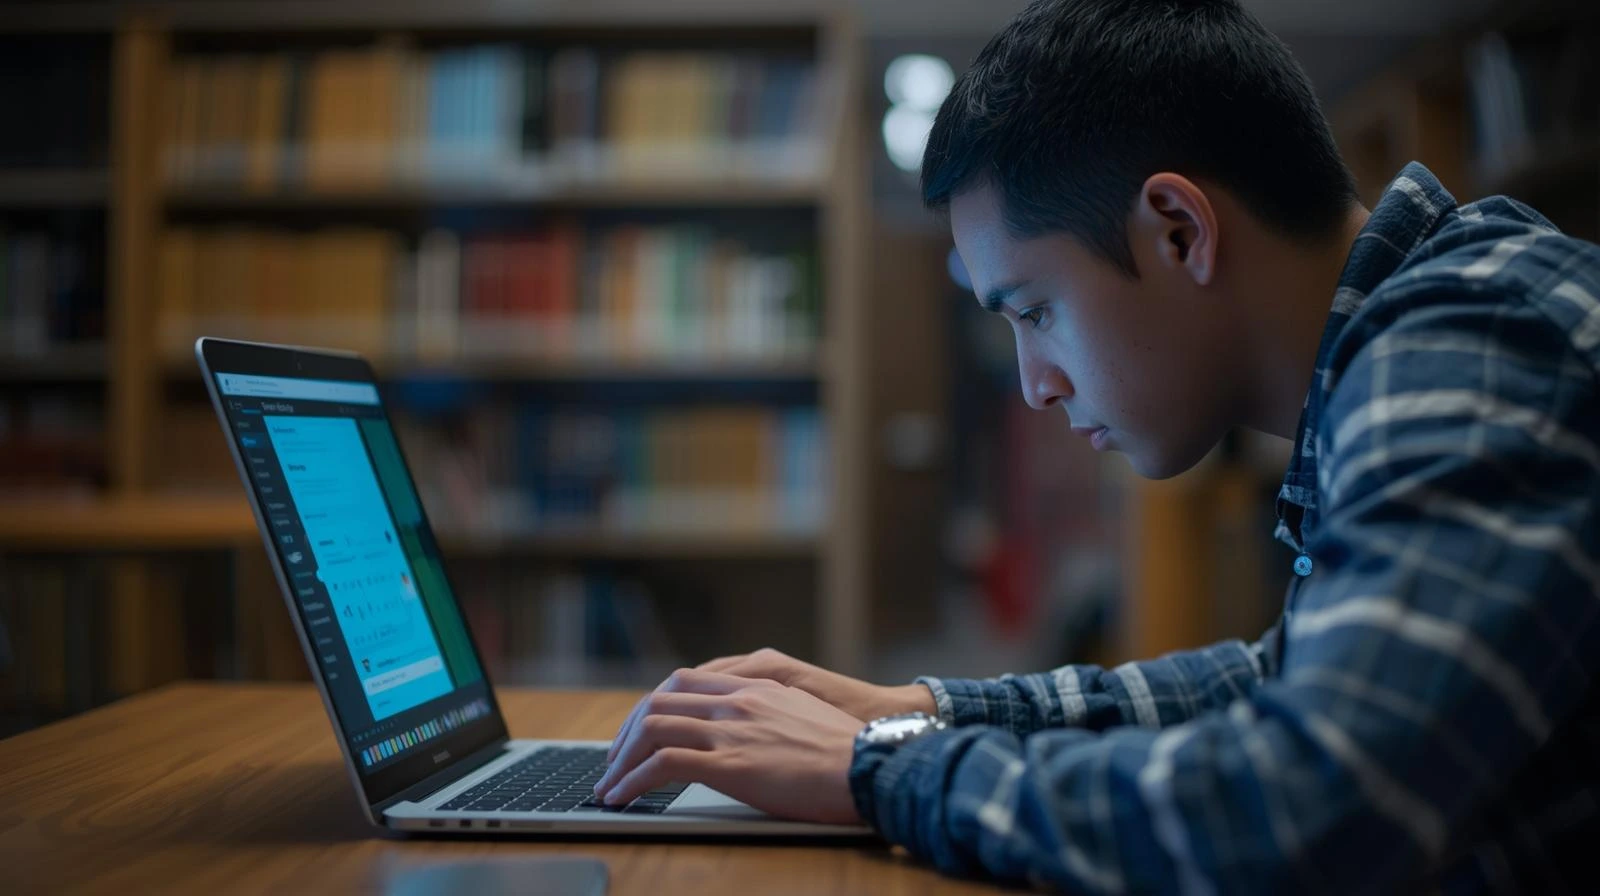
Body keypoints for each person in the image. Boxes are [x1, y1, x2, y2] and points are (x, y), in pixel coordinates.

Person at [592, 0, 1600, 890]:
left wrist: (873, 767)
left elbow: (1304, 805)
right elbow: (1278, 680)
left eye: (1033, 309)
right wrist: (918, 708)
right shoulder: (1429, 331)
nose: (1035, 381)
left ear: (1176, 229)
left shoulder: (1472, 342)